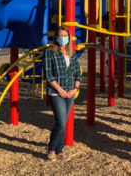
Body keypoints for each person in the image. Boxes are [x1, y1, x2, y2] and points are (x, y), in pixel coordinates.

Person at [43, 25, 81, 161]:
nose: (63, 38)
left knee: (63, 122)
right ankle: (52, 149)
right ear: (56, 37)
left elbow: (77, 73)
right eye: (60, 36)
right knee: (61, 121)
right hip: (56, 92)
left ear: (69, 38)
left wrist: (74, 89)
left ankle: (59, 150)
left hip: (70, 92)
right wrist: (60, 90)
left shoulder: (72, 53)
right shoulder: (49, 52)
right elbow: (48, 75)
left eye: (65, 36)